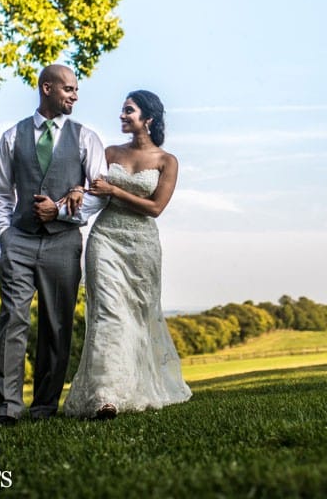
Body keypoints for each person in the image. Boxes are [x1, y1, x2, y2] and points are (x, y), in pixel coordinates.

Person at [0, 63, 107, 424]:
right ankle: (7, 409)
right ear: (47, 89)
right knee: (12, 320)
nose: (75, 95)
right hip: (19, 242)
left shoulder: (86, 137)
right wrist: (4, 234)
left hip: (64, 243)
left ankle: (43, 408)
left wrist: (60, 213)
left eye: (76, 90)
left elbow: (99, 193)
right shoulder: (12, 136)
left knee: (56, 325)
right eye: (68, 89)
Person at [62, 89, 192, 418]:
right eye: (122, 110)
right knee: (107, 313)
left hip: (142, 244)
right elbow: (85, 184)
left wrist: (115, 189)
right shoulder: (108, 152)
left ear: (148, 118)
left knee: (138, 315)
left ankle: (135, 386)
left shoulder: (167, 161)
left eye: (129, 110)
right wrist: (78, 189)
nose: (122, 115)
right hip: (105, 238)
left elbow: (156, 208)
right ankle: (105, 396)